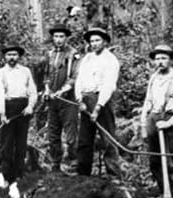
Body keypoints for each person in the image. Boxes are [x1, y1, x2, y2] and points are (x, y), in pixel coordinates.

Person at [140, 45, 173, 196]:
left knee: (169, 162)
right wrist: (144, 124)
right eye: (157, 59)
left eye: (163, 58)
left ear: (171, 60)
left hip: (169, 121)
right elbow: (147, 101)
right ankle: (163, 193)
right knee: (154, 162)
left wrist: (169, 123)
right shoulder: (154, 78)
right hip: (153, 120)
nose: (160, 62)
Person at [74, 27, 123, 178]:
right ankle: (83, 174)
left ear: (104, 42)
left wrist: (98, 107)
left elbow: (109, 85)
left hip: (102, 99)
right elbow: (79, 80)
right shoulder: (87, 58)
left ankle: (113, 175)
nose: (94, 43)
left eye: (97, 40)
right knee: (84, 139)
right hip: (85, 99)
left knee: (107, 137)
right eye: (92, 41)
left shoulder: (110, 60)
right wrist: (79, 100)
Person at [0, 44, 38, 198]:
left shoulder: (25, 71)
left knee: (21, 142)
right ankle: (5, 175)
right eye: (9, 55)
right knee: (6, 143)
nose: (12, 57)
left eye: (14, 54)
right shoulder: (1, 73)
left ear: (19, 56)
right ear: (5, 57)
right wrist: (2, 113)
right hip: (8, 107)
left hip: (23, 108)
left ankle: (19, 174)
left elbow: (32, 91)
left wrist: (30, 106)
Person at [41, 23, 80, 172]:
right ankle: (55, 164)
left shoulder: (73, 54)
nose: (58, 39)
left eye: (61, 36)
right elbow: (46, 75)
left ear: (66, 38)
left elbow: (76, 76)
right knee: (53, 133)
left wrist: (63, 90)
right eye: (56, 36)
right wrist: (46, 90)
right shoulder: (50, 54)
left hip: (68, 100)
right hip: (52, 100)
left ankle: (74, 162)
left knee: (71, 134)